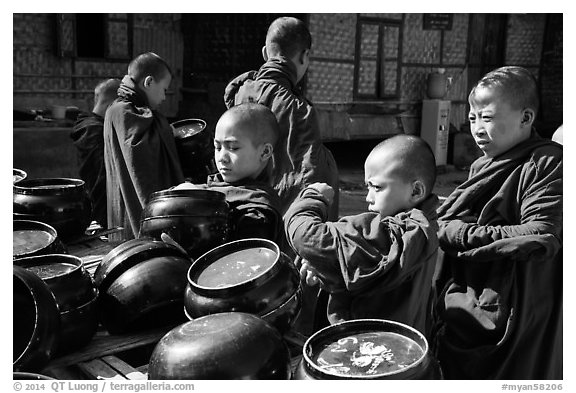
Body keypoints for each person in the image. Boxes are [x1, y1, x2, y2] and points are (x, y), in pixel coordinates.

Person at [431, 66, 563, 379]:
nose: (476, 128)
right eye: (473, 117)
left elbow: (539, 232)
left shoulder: (545, 162)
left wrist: (459, 233)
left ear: (526, 118)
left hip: (519, 299)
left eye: (487, 117)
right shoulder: (482, 164)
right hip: (476, 291)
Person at [285, 134, 439, 335]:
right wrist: (327, 271)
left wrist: (313, 200)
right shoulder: (426, 224)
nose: (368, 197)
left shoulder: (403, 232)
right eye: (368, 187)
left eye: (377, 187)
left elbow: (308, 237)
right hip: (397, 345)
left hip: (370, 348)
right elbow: (367, 275)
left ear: (416, 191)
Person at [223, 16, 340, 222]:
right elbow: (308, 176)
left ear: (265, 53)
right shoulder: (298, 108)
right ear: (305, 56)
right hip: (277, 211)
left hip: (242, 204)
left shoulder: (240, 91)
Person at [173, 103, 282, 243]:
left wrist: (197, 202)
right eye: (217, 147)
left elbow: (242, 260)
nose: (222, 158)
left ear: (265, 152)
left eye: (233, 148)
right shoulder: (211, 187)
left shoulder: (258, 212)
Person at [104, 52, 184, 241]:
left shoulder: (123, 109)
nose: (164, 97)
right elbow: (140, 161)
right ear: (148, 82)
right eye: (164, 89)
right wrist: (166, 131)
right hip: (128, 215)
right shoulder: (122, 111)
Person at [70, 78, 121, 227]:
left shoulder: (92, 125)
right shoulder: (94, 131)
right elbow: (101, 179)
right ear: (116, 103)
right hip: (103, 215)